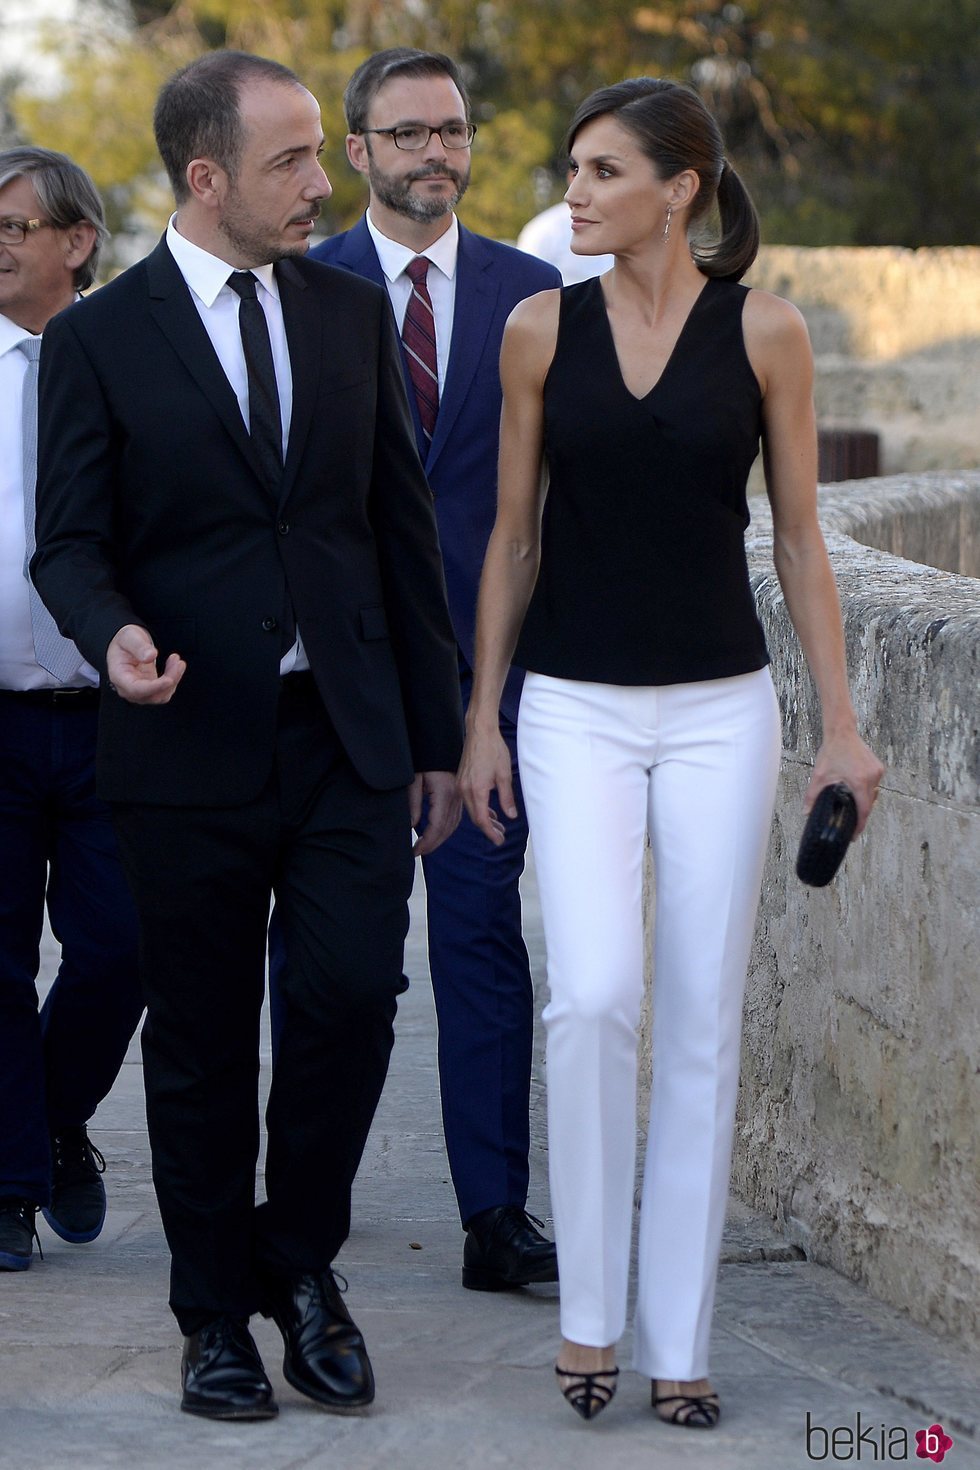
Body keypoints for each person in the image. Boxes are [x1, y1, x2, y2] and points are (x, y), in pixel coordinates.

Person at [31, 51, 464, 1422]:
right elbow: (70, 543)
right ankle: (213, 1313)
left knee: (349, 1002)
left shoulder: (346, 316)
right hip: (182, 745)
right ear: (206, 175)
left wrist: (441, 737)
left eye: (322, 156)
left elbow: (398, 533)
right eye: (293, 161)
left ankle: (298, 1265)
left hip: (345, 735)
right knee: (205, 1040)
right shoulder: (98, 340)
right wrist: (112, 634)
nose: (323, 183)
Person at [458, 78, 884, 1428]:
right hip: (571, 704)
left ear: (679, 189)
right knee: (591, 994)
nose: (573, 195)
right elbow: (513, 537)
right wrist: (481, 718)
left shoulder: (766, 332)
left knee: (699, 1017)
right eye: (571, 170)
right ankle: (588, 1316)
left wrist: (845, 728)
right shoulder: (537, 329)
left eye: (600, 172)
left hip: (721, 712)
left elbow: (805, 539)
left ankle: (680, 1339)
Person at [305, 48, 561, 1292]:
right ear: (356, 151)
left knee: (479, 943)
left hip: (488, 686)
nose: (434, 156)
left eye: (451, 132)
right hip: (338, 693)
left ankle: (493, 1213)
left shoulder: (533, 293)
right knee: (328, 962)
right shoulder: (300, 286)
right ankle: (307, 1199)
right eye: (406, 134)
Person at [0, 146, 144, 1273]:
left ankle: (50, 1119)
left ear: (76, 241)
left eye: (15, 225)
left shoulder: (140, 354)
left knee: (121, 949)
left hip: (117, 717)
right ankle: (10, 1179)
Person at [517, 200, 613, 284]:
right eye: (575, 178)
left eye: (603, 177)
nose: (570, 196)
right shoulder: (545, 228)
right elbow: (526, 283)